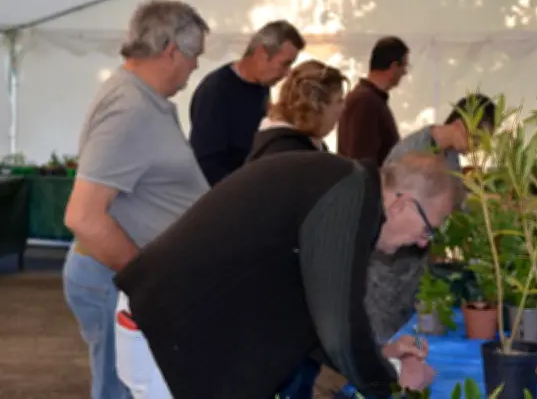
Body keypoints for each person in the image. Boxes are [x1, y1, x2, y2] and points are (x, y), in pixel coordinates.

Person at [112, 151, 459, 399]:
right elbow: (338, 330)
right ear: (401, 204)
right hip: (168, 334)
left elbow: (318, 318)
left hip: (179, 332)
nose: (423, 242)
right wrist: (394, 383)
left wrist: (379, 354)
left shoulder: (346, 190)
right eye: (428, 229)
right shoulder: (348, 196)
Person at [62, 0, 212, 399]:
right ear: (170, 51)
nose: (195, 67)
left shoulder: (143, 98)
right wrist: (146, 279)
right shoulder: (129, 107)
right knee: (120, 390)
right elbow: (84, 217)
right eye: (194, 55)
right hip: (115, 282)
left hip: (125, 281)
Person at [366, 94, 497, 342]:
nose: (478, 147)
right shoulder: (412, 151)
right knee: (383, 338)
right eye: (478, 138)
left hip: (414, 267)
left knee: (404, 335)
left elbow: (455, 205)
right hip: (387, 269)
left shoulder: (450, 158)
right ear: (460, 124)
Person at [189, 20, 305, 186]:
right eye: (285, 64)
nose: (286, 73)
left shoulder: (262, 88)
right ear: (262, 54)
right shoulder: (216, 91)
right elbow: (206, 162)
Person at [246, 60, 347, 160]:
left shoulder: (288, 143)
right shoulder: (289, 154)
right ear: (315, 106)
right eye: (339, 100)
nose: (343, 107)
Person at [337, 36, 409, 165]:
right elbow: (360, 157)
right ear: (393, 67)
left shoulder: (369, 99)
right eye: (404, 65)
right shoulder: (365, 101)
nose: (405, 72)